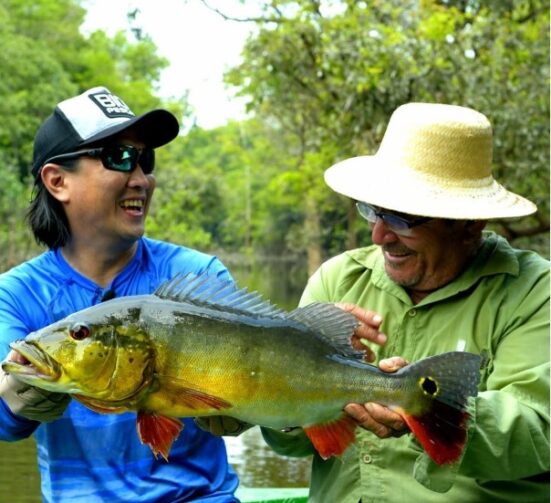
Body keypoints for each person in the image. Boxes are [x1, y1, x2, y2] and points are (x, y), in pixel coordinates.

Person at [260, 103, 550, 502]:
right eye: (373, 211)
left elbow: (538, 431)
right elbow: (292, 445)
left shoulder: (534, 290)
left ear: (469, 225)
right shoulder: (337, 278)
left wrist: (428, 411)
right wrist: (291, 366)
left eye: (400, 218)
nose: (379, 235)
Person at [0, 87, 239, 502]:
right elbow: (5, 422)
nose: (142, 179)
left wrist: (239, 412)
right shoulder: (15, 296)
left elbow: (245, 411)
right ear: (58, 182)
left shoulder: (196, 275)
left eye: (145, 160)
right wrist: (23, 392)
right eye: (119, 157)